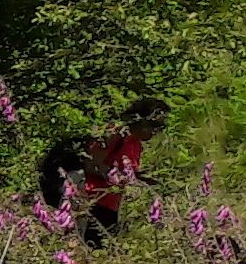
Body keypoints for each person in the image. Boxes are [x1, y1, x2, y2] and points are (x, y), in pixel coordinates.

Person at [33, 95, 166, 242]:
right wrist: (113, 176)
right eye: (153, 126)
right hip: (90, 199)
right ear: (141, 120)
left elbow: (126, 172)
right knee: (77, 244)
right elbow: (90, 164)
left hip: (110, 204)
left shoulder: (136, 144)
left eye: (159, 128)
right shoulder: (115, 134)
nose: (155, 132)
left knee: (102, 249)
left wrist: (144, 180)